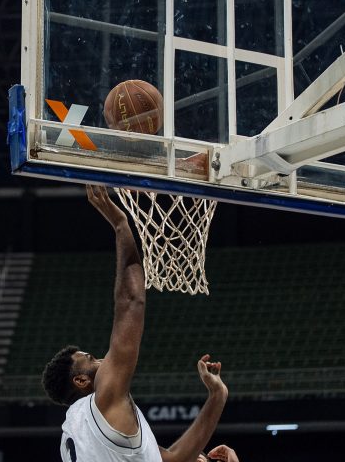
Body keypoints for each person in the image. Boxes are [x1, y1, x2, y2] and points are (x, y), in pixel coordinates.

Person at [42, 185, 228, 462]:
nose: (102, 359)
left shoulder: (73, 432)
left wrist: (217, 395)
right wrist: (120, 224)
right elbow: (131, 303)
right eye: (91, 359)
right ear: (81, 380)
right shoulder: (102, 401)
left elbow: (175, 458)